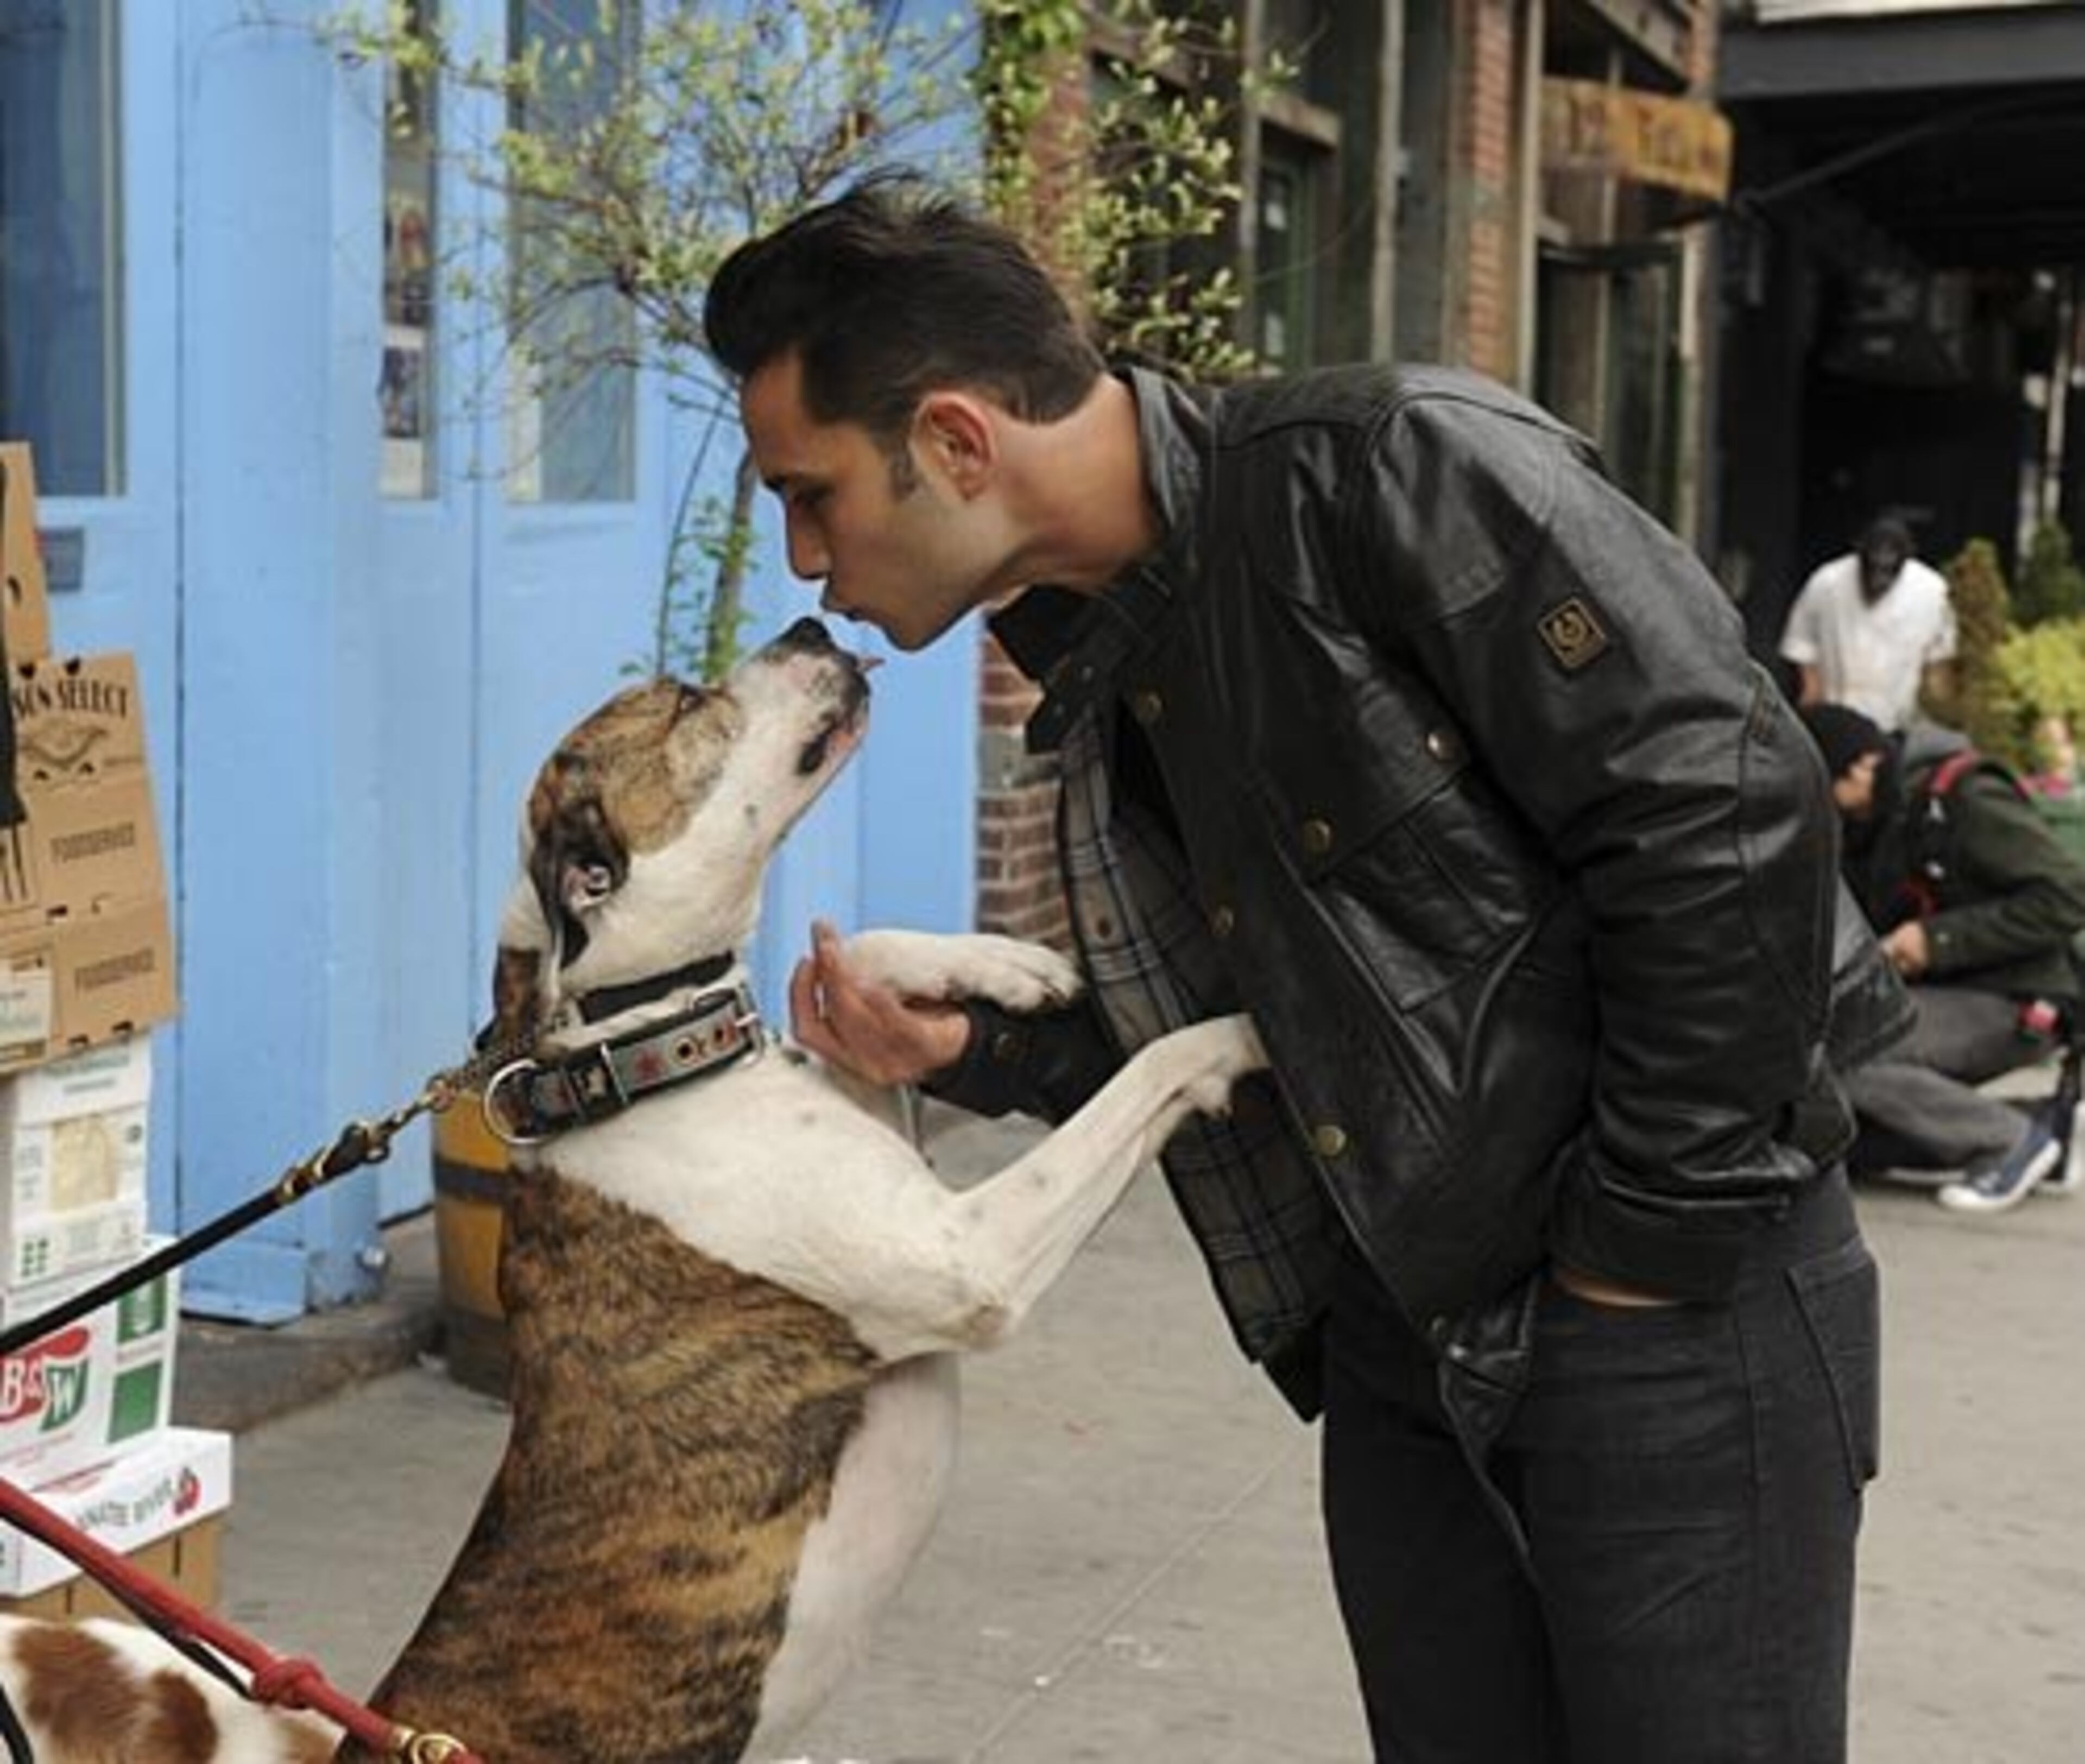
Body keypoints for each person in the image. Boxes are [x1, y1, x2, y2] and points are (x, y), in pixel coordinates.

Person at [705, 176, 1886, 1763]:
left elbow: (1728, 814)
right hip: (1408, 1344)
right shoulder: (1101, 638)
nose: (801, 557)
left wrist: (1633, 1265)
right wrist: (978, 1057)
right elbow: (1289, 1012)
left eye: (812, 493)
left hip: (1670, 1322)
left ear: (957, 442)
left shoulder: (1388, 469)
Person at [1802, 701, 2085, 1212]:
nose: (1826, 809)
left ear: (1863, 765)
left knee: (1846, 1048)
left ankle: (2006, 1139)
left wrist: (1937, 940)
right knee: (1839, 1129)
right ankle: (2045, 1125)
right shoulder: (1873, 823)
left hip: (2019, 994)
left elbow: (2067, 896)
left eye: (1827, 792)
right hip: (1948, 994)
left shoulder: (1963, 795)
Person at [1779, 512, 1957, 732]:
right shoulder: (1827, 582)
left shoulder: (1933, 591)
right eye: (1874, 566)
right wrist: (1812, 699)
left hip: (1900, 723)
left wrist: (1939, 714)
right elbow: (1801, 644)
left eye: (1888, 569)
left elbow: (1939, 663)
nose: (1879, 577)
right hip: (1838, 718)